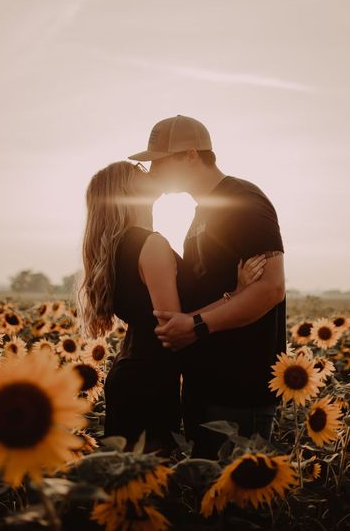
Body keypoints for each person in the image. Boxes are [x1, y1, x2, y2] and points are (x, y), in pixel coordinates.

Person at [75, 159, 266, 457]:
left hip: (134, 374)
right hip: (148, 384)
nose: (148, 169)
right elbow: (173, 327)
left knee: (131, 486)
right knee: (147, 483)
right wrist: (235, 294)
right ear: (126, 190)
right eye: (138, 171)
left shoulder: (118, 248)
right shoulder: (150, 244)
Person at [127, 114, 286, 458]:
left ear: (190, 156)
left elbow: (271, 288)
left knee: (241, 503)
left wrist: (196, 326)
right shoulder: (203, 212)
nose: (154, 172)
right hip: (205, 386)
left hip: (240, 390)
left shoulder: (243, 202)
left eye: (159, 163)